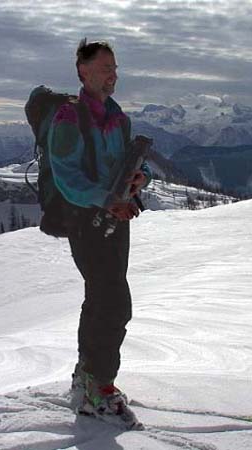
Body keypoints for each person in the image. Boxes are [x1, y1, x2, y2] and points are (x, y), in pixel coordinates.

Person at [47, 38, 151, 423]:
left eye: (115, 68)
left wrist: (141, 177)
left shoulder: (117, 117)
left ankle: (88, 379)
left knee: (102, 299)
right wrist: (106, 200)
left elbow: (125, 164)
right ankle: (97, 385)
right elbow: (66, 176)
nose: (113, 75)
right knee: (112, 301)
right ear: (83, 71)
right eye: (105, 68)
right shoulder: (68, 118)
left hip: (116, 217)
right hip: (87, 220)